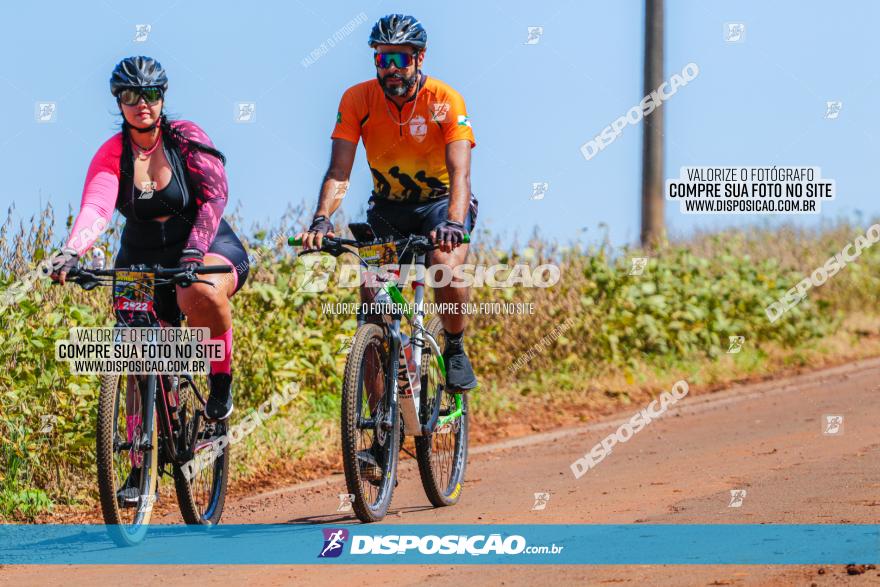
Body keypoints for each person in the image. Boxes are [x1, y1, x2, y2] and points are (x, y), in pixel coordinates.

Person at [52, 56, 248, 426]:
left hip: (205, 245)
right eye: (130, 94)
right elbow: (96, 207)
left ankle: (220, 380)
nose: (142, 102)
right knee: (136, 353)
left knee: (197, 294)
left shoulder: (186, 138)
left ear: (162, 97)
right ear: (118, 101)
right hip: (141, 258)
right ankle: (134, 463)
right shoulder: (113, 153)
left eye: (151, 93)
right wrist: (71, 251)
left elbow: (215, 197)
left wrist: (193, 252)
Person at [297, 13, 479, 396]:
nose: (391, 69)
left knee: (445, 267)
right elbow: (339, 172)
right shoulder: (357, 98)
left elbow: (460, 173)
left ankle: (456, 347)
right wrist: (321, 220)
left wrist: (454, 223)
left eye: (400, 59)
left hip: (440, 205)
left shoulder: (445, 100)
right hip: (387, 209)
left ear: (420, 58)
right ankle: (380, 429)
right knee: (373, 303)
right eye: (383, 59)